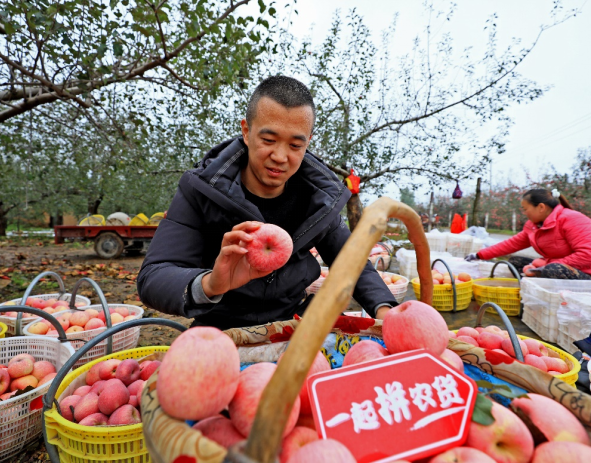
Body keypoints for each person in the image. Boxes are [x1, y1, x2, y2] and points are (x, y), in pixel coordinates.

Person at [137, 76, 397, 330]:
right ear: (247, 131)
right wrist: (210, 283)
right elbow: (154, 277)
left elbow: (351, 261)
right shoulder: (203, 189)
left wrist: (387, 311)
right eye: (269, 140)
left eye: (295, 145)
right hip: (219, 329)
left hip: (293, 325)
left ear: (308, 142)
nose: (280, 156)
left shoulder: (319, 200)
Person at [465, 188, 591, 280]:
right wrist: (479, 255)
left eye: (525, 209)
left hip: (590, 275)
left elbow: (589, 254)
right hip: (555, 268)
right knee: (515, 261)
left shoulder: (574, 219)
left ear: (541, 207)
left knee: (552, 270)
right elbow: (511, 244)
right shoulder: (534, 226)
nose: (524, 213)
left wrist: (546, 265)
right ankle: (532, 292)